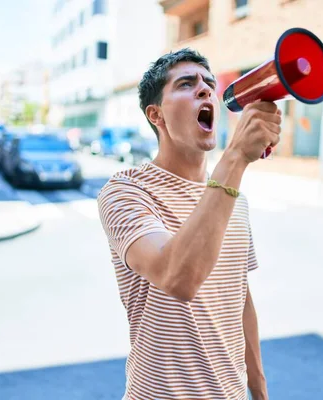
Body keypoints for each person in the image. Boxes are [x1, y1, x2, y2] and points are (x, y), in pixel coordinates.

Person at [97, 48, 281, 400]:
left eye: (209, 84)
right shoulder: (125, 192)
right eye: (186, 83)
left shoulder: (233, 200)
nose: (205, 89)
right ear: (156, 115)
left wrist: (258, 388)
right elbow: (177, 278)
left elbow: (238, 296)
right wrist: (237, 157)